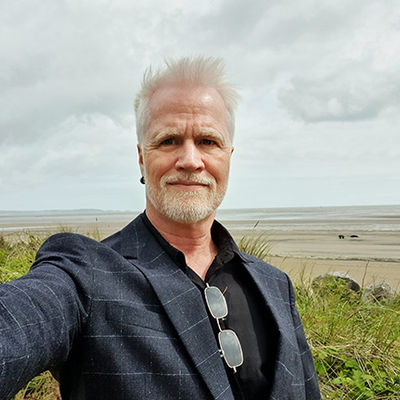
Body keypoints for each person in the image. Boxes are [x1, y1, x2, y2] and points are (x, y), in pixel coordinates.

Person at [0, 57, 321, 400]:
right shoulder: (84, 273)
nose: (190, 160)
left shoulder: (276, 285)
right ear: (142, 158)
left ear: (229, 155)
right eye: (168, 141)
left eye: (208, 141)